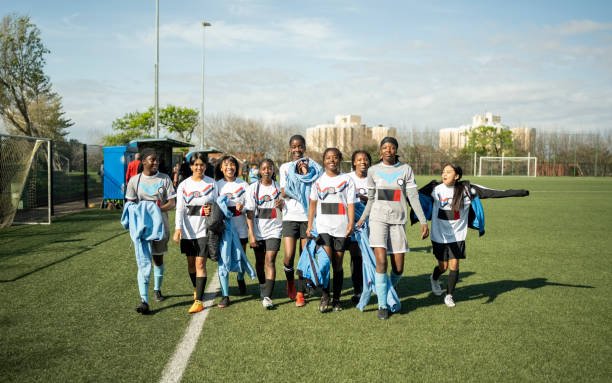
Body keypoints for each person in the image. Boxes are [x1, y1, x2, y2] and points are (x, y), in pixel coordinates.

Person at [417, 163, 529, 308]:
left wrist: (517, 192)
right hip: (439, 235)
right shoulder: (435, 188)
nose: (444, 174)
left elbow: (492, 192)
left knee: (454, 264)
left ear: (457, 176)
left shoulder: (467, 189)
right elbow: (415, 196)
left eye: (449, 172)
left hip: (457, 235)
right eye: (443, 171)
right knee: (442, 266)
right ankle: (434, 278)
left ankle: (449, 295)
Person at [357, 137, 429, 320]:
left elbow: (413, 197)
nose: (388, 150)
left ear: (396, 150)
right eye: (384, 147)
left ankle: (387, 287)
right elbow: (371, 199)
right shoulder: (373, 171)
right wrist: (362, 218)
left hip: (398, 222)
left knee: (398, 267)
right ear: (380, 151)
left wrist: (423, 220)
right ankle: (382, 305)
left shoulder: (406, 170)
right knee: (381, 262)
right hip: (377, 220)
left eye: (391, 147)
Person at [124, 148, 176, 314]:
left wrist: (157, 208)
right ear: (143, 162)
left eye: (157, 160)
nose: (155, 163)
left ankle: (157, 289)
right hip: (142, 228)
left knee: (157, 259)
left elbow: (172, 203)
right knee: (143, 261)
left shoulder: (165, 178)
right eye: (152, 160)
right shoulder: (134, 181)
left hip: (160, 226)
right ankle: (144, 300)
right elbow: (129, 205)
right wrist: (141, 210)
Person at [306, 148, 355, 312]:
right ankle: (325, 296)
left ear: (340, 159)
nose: (331, 160)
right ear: (323, 160)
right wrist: (309, 225)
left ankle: (337, 299)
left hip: (341, 227)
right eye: (328, 158)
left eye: (335, 157)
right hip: (323, 227)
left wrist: (351, 223)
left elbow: (350, 203)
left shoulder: (347, 180)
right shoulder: (318, 181)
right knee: (325, 263)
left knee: (338, 264)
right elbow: (312, 204)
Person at [173, 152, 219, 313]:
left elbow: (218, 206)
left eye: (202, 164)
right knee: (191, 264)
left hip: (204, 230)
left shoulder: (212, 184)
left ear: (206, 166)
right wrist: (178, 229)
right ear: (191, 166)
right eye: (196, 164)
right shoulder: (183, 185)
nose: (199, 167)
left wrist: (211, 208)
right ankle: (196, 288)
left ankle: (199, 301)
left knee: (200, 263)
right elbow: (179, 209)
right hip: (187, 231)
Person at [279, 134, 322, 302]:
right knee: (289, 255)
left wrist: (306, 175)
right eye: (294, 146)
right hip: (290, 216)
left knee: (305, 254)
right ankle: (290, 283)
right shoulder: (285, 168)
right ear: (290, 149)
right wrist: (301, 185)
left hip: (308, 217)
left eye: (300, 146)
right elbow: (284, 191)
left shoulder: (314, 167)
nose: (297, 149)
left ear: (304, 147)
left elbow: (316, 189)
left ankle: (300, 292)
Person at [244, 159, 284, 309]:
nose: (267, 171)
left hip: (275, 230)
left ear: (273, 170)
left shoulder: (279, 188)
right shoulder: (253, 188)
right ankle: (262, 285)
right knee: (260, 263)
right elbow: (249, 213)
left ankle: (267, 296)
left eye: (270, 168)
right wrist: (251, 235)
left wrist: (283, 205)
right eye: (264, 168)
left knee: (270, 260)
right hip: (258, 231)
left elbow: (286, 208)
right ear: (260, 171)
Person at [215, 155, 248, 301]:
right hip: (224, 229)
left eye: (232, 164)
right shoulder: (216, 185)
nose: (229, 167)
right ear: (221, 168)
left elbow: (251, 206)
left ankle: (240, 278)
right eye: (226, 165)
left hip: (240, 227)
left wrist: (244, 207)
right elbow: (210, 207)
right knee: (224, 260)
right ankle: (225, 295)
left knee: (241, 257)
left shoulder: (244, 185)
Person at [347, 150, 372, 304]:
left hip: (373, 222)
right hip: (354, 223)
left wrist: (368, 199)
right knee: (356, 255)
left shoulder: (374, 178)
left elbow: (380, 198)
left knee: (370, 256)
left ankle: (372, 286)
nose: (363, 162)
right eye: (359, 159)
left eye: (366, 159)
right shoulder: (348, 178)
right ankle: (358, 291)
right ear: (354, 162)